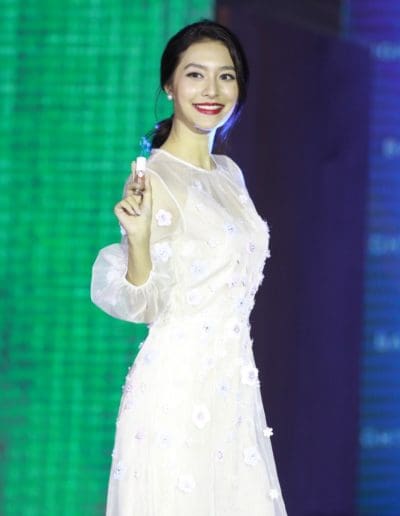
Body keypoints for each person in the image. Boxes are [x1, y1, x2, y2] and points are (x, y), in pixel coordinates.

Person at [91, 18, 287, 516]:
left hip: (234, 390)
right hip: (176, 394)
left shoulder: (230, 174)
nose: (212, 90)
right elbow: (142, 303)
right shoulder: (155, 176)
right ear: (169, 85)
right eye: (196, 74)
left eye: (226, 76)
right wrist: (138, 241)